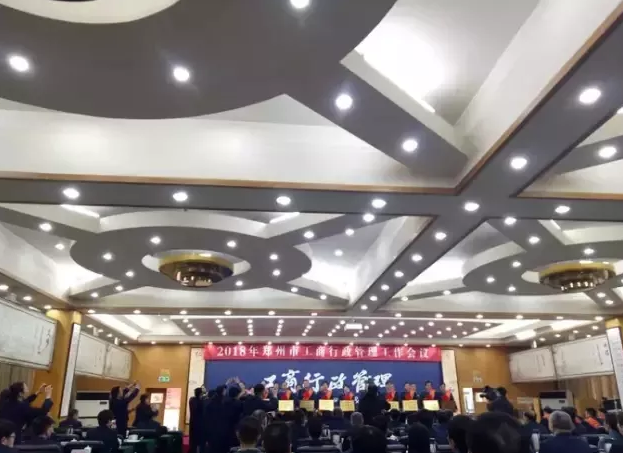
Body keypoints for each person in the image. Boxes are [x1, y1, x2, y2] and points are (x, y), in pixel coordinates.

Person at [189, 387, 206, 453]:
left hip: (193, 423)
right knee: (197, 442)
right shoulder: (200, 402)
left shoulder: (192, 400)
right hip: (198, 424)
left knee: (193, 441)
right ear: (200, 394)